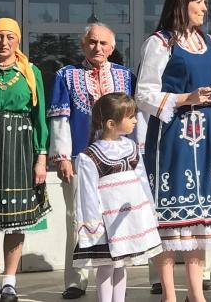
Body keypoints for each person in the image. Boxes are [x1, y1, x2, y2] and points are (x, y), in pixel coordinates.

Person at [135, 0, 211, 302]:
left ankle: (196, 294)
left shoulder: (209, 42)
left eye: (205, 1)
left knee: (199, 220)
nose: (205, 8)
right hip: (171, 137)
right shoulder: (159, 43)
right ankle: (169, 295)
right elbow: (143, 94)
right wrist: (184, 98)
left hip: (206, 135)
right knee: (168, 217)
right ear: (182, 4)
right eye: (199, 1)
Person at [47, 23, 135, 300]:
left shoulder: (126, 76)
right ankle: (76, 280)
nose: (97, 47)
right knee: (77, 218)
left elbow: (135, 119)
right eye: (92, 42)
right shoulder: (66, 75)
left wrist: (136, 155)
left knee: (121, 217)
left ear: (112, 47)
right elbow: (60, 118)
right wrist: (62, 156)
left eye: (103, 43)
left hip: (118, 159)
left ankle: (123, 281)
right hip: (80, 159)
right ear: (83, 45)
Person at [0, 18, 51, 302]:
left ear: (18, 40)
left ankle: (9, 282)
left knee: (15, 219)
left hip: (19, 149)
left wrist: (40, 158)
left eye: (10, 37)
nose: (3, 42)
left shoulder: (30, 71)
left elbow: (39, 117)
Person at [72, 93, 162, 302]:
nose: (135, 120)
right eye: (130, 117)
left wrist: (149, 210)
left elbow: (142, 181)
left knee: (121, 265)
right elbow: (87, 195)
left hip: (128, 220)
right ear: (111, 124)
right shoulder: (89, 156)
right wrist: (94, 226)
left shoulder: (131, 147)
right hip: (106, 223)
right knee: (106, 266)